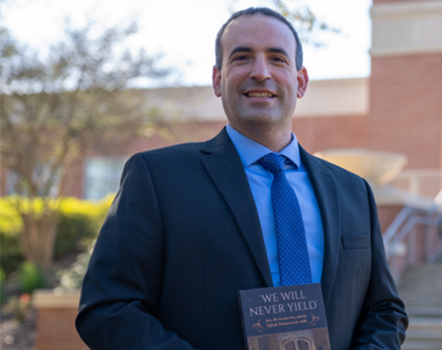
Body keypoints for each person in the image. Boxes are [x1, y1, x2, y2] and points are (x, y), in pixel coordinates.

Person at [75, 7, 408, 350]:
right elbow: (108, 307)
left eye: (277, 59)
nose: (261, 73)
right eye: (243, 58)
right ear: (218, 80)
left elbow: (384, 310)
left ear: (301, 81)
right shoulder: (158, 178)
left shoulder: (354, 191)